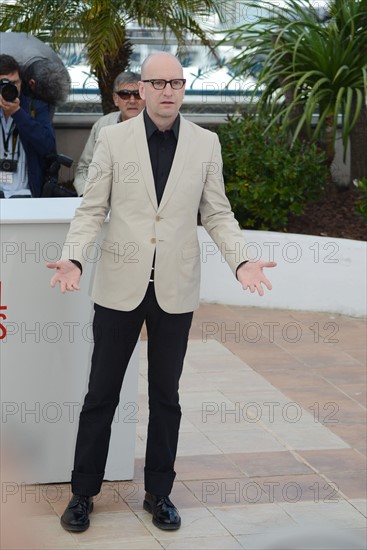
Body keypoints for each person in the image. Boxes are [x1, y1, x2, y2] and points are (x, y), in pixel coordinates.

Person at [47, 51, 277, 533]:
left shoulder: (205, 144)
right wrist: (73, 256)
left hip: (175, 287)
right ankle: (83, 493)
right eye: (159, 83)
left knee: (166, 397)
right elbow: (92, 209)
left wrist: (241, 258)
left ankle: (159, 493)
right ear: (143, 89)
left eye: (177, 82)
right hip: (119, 286)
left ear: (183, 88)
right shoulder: (112, 139)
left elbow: (216, 212)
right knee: (100, 394)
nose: (168, 90)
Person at [73, 71, 145, 196]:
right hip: (103, 203)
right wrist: (86, 195)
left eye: (137, 95)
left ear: (145, 97)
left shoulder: (158, 128)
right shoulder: (102, 125)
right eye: (125, 95)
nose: (132, 100)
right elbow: (84, 168)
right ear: (116, 99)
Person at [0, 54, 56, 198]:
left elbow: (48, 146)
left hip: (25, 194)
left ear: (21, 83)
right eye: (3, 83)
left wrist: (18, 114)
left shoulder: (35, 107)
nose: (9, 88)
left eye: (14, 83)